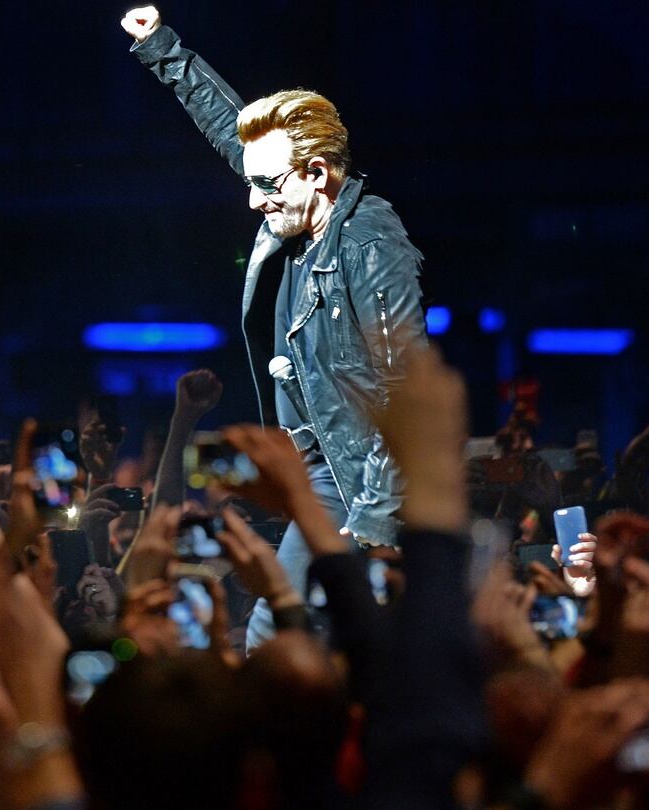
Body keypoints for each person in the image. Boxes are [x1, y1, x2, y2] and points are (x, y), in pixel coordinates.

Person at [121, 6, 428, 646]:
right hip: (308, 467)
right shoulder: (294, 211)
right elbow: (229, 131)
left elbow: (406, 391)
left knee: (273, 633)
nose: (253, 199)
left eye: (266, 184)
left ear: (318, 173)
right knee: (281, 625)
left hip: (350, 479)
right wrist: (160, 47)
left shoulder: (370, 241)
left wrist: (373, 524)